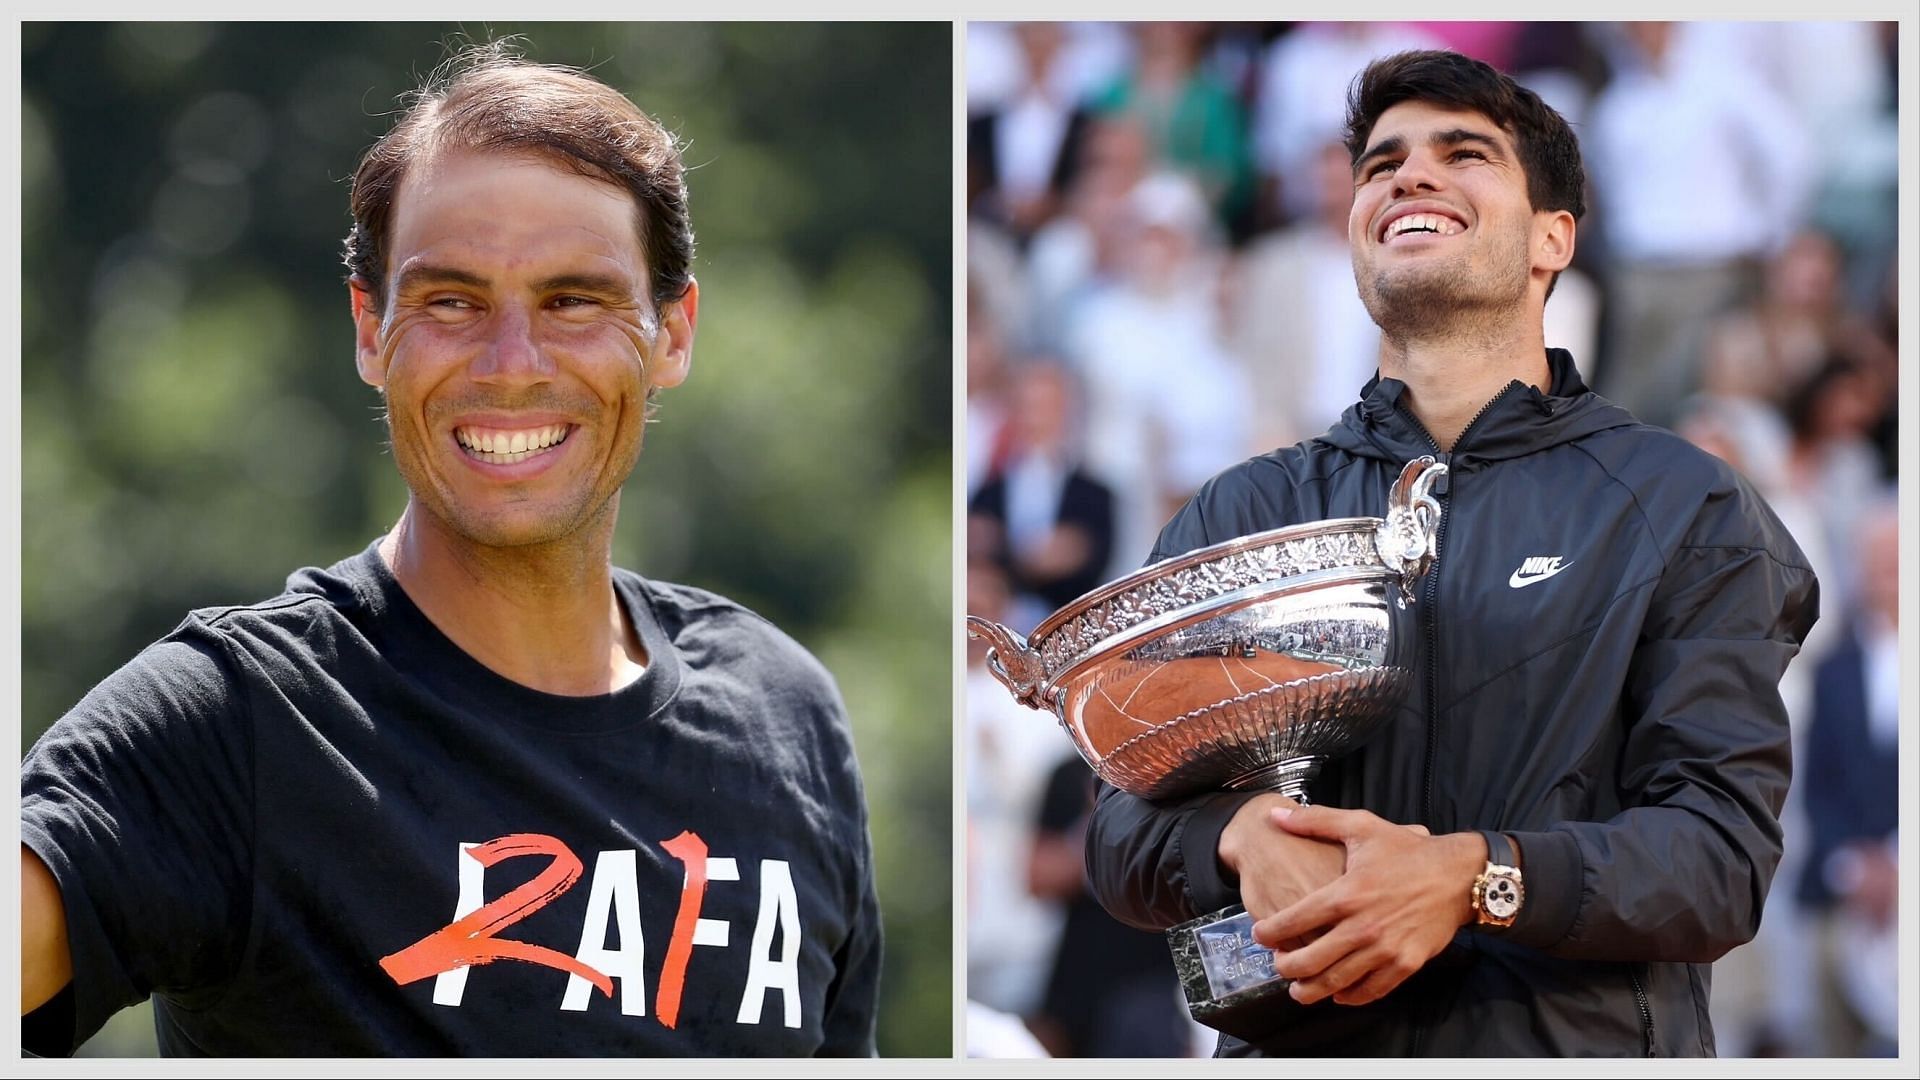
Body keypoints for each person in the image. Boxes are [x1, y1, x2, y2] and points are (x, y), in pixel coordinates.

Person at [20, 45, 880, 1057]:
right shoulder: (240, 727)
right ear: (369, 329)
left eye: (574, 300)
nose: (511, 365)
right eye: (451, 302)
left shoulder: (788, 715)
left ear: (673, 333)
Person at [1084, 50, 1818, 1057]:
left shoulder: (1681, 504)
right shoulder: (1242, 508)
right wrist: (1236, 838)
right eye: (1381, 164)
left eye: (1462, 153)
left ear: (1552, 239)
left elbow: (1717, 860)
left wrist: (1478, 879)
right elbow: (1119, 833)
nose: (1409, 177)